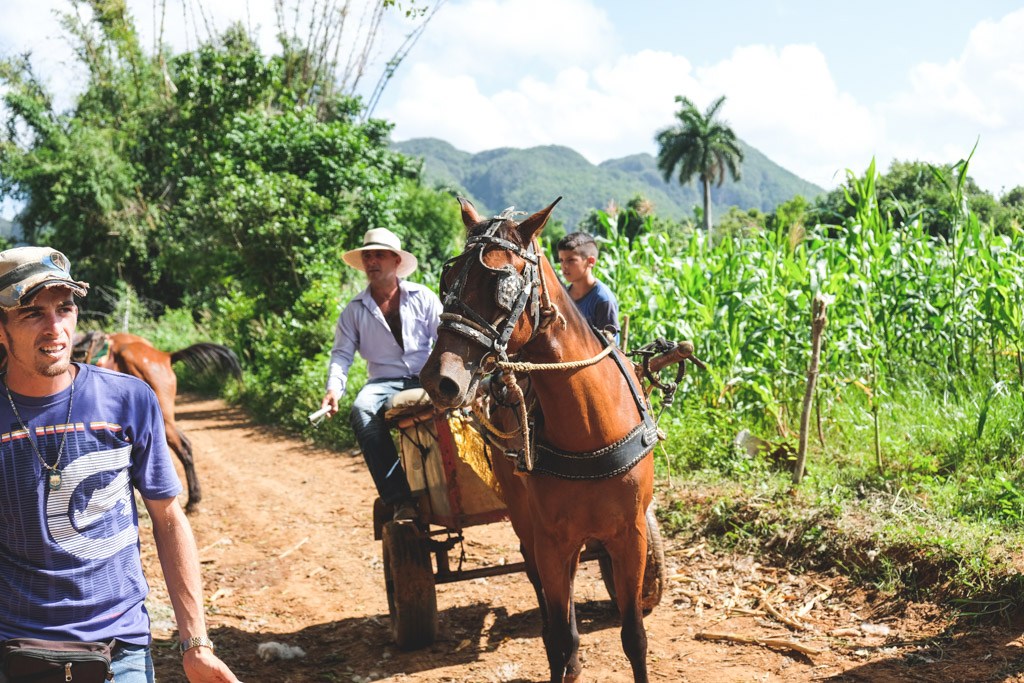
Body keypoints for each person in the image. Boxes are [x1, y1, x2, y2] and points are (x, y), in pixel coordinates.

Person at [0, 247, 242, 683]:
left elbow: (168, 518)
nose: (56, 328)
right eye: (32, 313)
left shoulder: (128, 399)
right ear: (1, 328)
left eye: (65, 308)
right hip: (14, 650)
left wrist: (195, 644)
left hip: (121, 652)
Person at [320, 228, 442, 521]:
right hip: (382, 382)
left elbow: (444, 339)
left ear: (396, 261)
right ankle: (399, 499)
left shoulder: (422, 296)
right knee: (362, 411)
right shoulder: (354, 310)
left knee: (467, 398)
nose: (372, 262)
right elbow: (341, 355)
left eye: (379, 255)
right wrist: (334, 390)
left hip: (425, 375)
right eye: (367, 256)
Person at [556, 231, 620, 343]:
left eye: (571, 260)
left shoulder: (603, 299)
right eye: (561, 260)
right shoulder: (562, 295)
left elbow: (610, 346)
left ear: (590, 261)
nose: (564, 266)